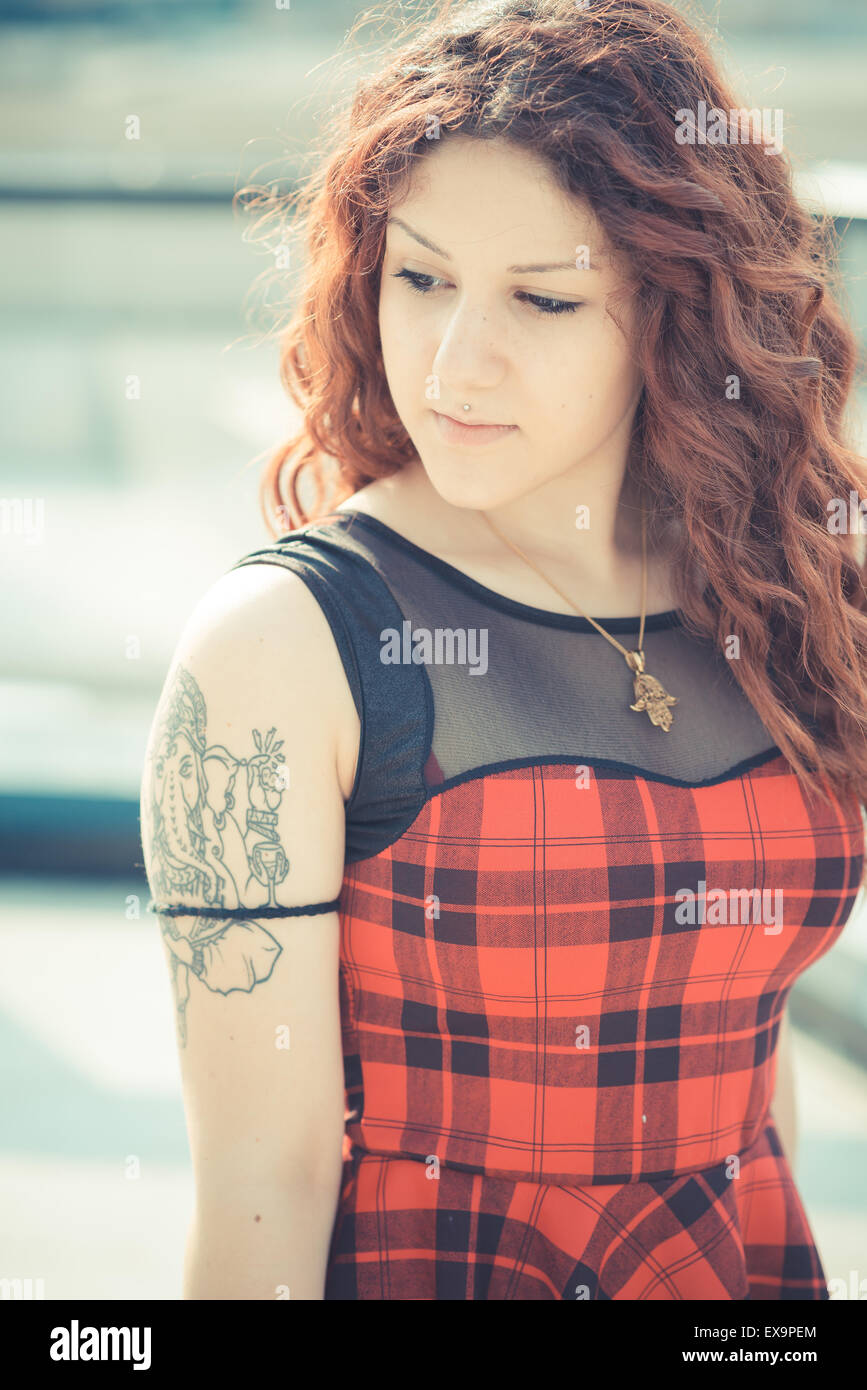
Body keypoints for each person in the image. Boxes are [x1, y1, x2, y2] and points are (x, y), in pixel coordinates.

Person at [140, 0, 867, 1300]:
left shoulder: (787, 580)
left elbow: (753, 1076)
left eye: (541, 296)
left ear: (677, 314)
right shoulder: (284, 649)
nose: (456, 363)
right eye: (420, 279)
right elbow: (265, 1184)